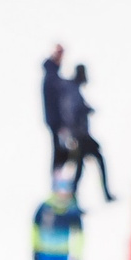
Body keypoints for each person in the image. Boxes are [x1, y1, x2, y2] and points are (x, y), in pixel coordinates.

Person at [65, 63, 116, 203]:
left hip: (80, 136)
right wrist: (85, 110)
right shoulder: (73, 91)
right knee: (95, 162)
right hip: (80, 136)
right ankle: (104, 194)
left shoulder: (74, 90)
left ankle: (74, 198)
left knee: (81, 168)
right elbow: (73, 113)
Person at [42, 44, 73, 175]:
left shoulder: (54, 75)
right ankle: (56, 184)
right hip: (57, 122)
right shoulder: (52, 77)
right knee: (60, 151)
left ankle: (58, 182)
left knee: (64, 151)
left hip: (59, 121)